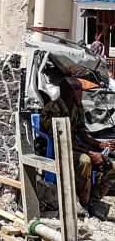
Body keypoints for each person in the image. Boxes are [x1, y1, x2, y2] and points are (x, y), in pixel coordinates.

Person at [40, 75, 115, 216]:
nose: (82, 94)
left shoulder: (77, 107)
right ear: (73, 93)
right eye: (80, 90)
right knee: (85, 160)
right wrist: (91, 153)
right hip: (58, 149)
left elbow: (82, 133)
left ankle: (92, 201)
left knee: (112, 166)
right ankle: (81, 205)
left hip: (74, 146)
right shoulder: (52, 110)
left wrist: (100, 144)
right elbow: (60, 141)